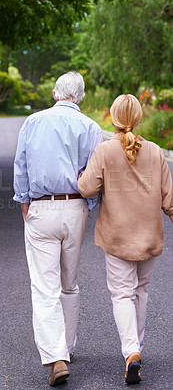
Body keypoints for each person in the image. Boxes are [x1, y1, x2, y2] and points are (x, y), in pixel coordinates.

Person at [13, 71, 102, 386]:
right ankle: (68, 347)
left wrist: (24, 201)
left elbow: (21, 165)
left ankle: (56, 356)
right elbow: (94, 173)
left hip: (41, 207)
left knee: (44, 286)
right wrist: (89, 208)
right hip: (75, 206)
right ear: (79, 96)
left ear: (55, 93)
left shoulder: (33, 122)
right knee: (70, 283)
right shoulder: (91, 127)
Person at [77, 94, 173, 384]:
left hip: (118, 236)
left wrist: (83, 173)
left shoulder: (105, 151)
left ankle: (131, 352)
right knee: (141, 291)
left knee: (122, 294)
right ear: (140, 118)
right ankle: (136, 352)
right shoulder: (156, 152)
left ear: (113, 118)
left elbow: (86, 188)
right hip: (148, 235)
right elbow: (169, 199)